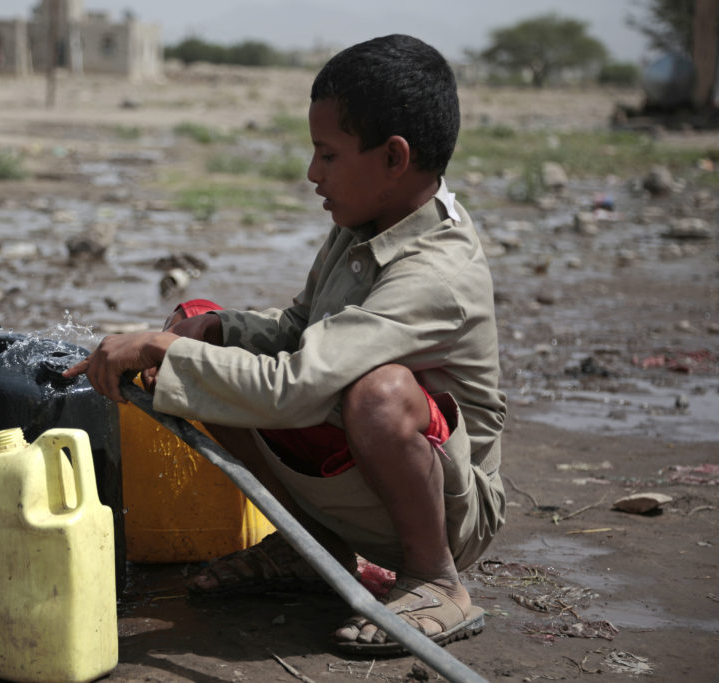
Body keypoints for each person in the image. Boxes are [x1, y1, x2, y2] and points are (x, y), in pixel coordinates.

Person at [64, 34, 506, 656]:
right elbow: (300, 328)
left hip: (448, 510)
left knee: (380, 395)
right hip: (362, 470)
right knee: (200, 323)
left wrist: (160, 353)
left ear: (394, 157)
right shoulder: (362, 226)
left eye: (328, 154)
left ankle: (435, 582)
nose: (312, 173)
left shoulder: (436, 275)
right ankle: (314, 543)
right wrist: (217, 331)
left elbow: (295, 387)